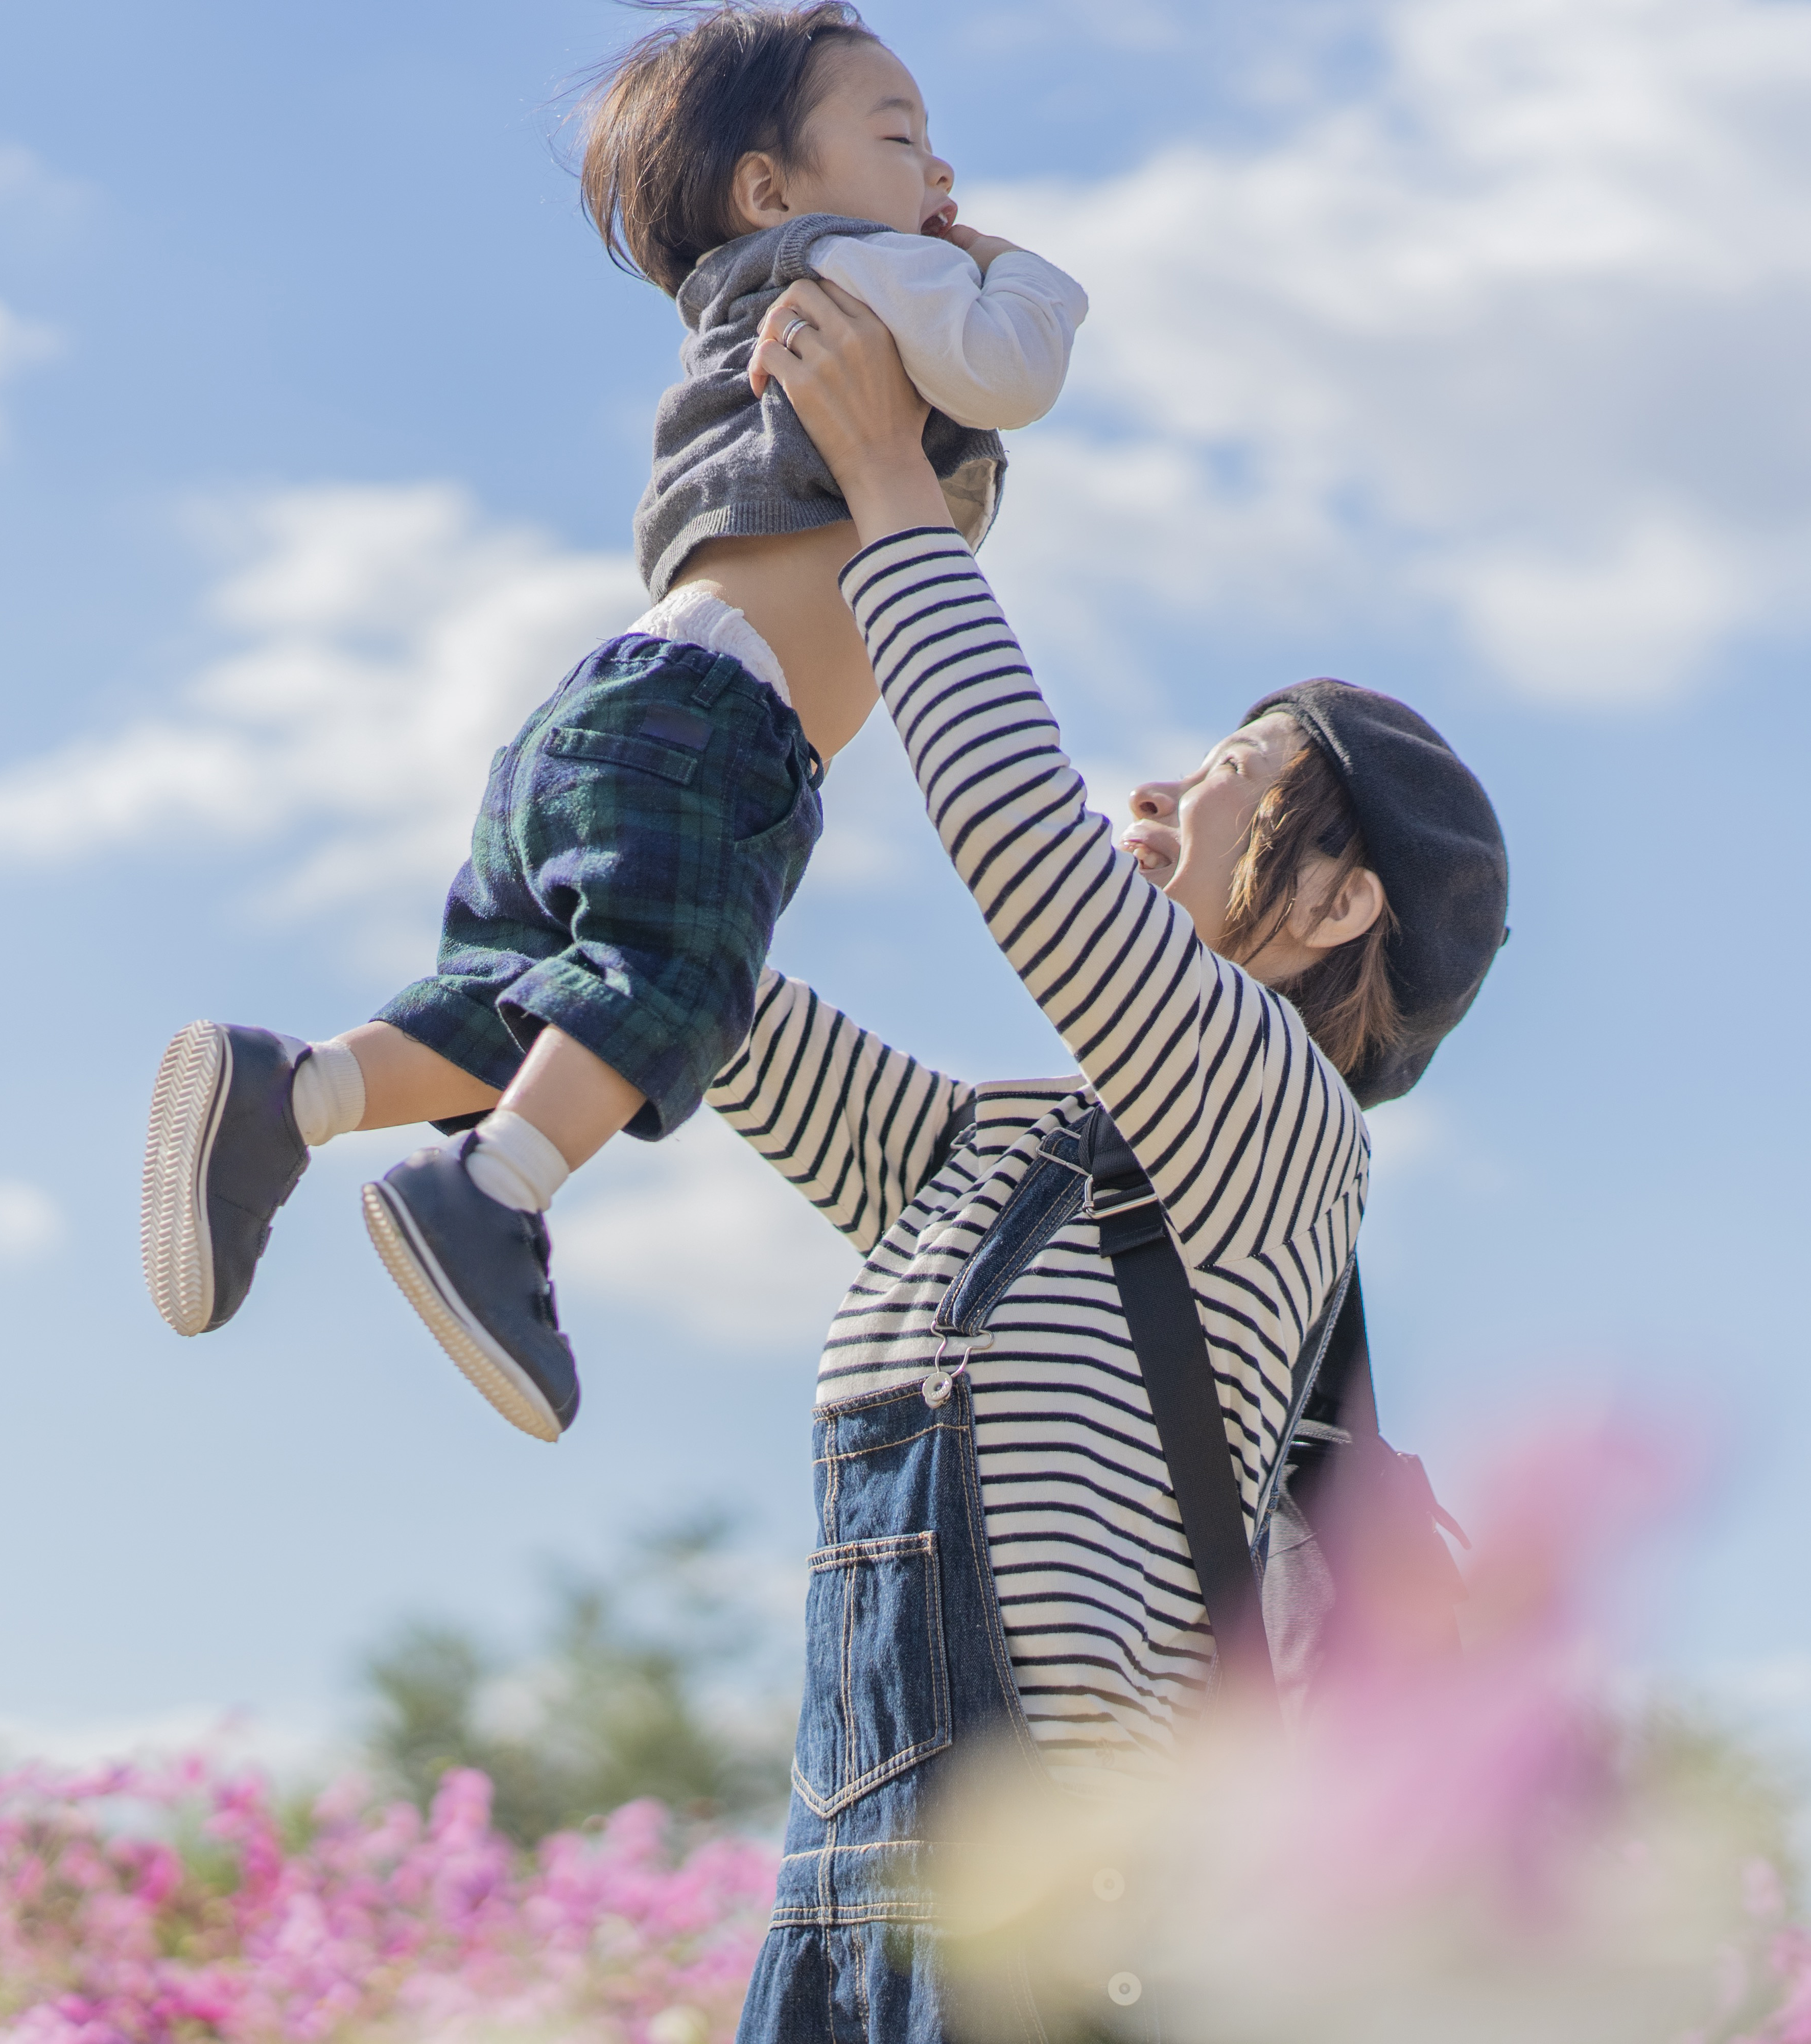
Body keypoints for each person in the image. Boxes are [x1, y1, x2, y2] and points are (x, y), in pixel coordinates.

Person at [708, 274, 1510, 2036]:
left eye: (1228, 775)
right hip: (850, 1941)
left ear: (1337, 901)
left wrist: (893, 488)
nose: (1152, 798)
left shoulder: (1277, 1123)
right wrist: (648, 753)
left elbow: (1019, 836)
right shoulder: (1010, 1169)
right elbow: (706, 1010)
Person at [135, 2, 1089, 1446]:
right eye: (901, 138)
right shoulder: (864, 265)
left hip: (617, 710)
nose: (940, 172)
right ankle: (493, 1189)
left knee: (526, 995)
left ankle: (297, 1093)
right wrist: (1018, 268)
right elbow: (1013, 365)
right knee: (674, 974)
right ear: (772, 191)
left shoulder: (765, 288)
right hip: (720, 720)